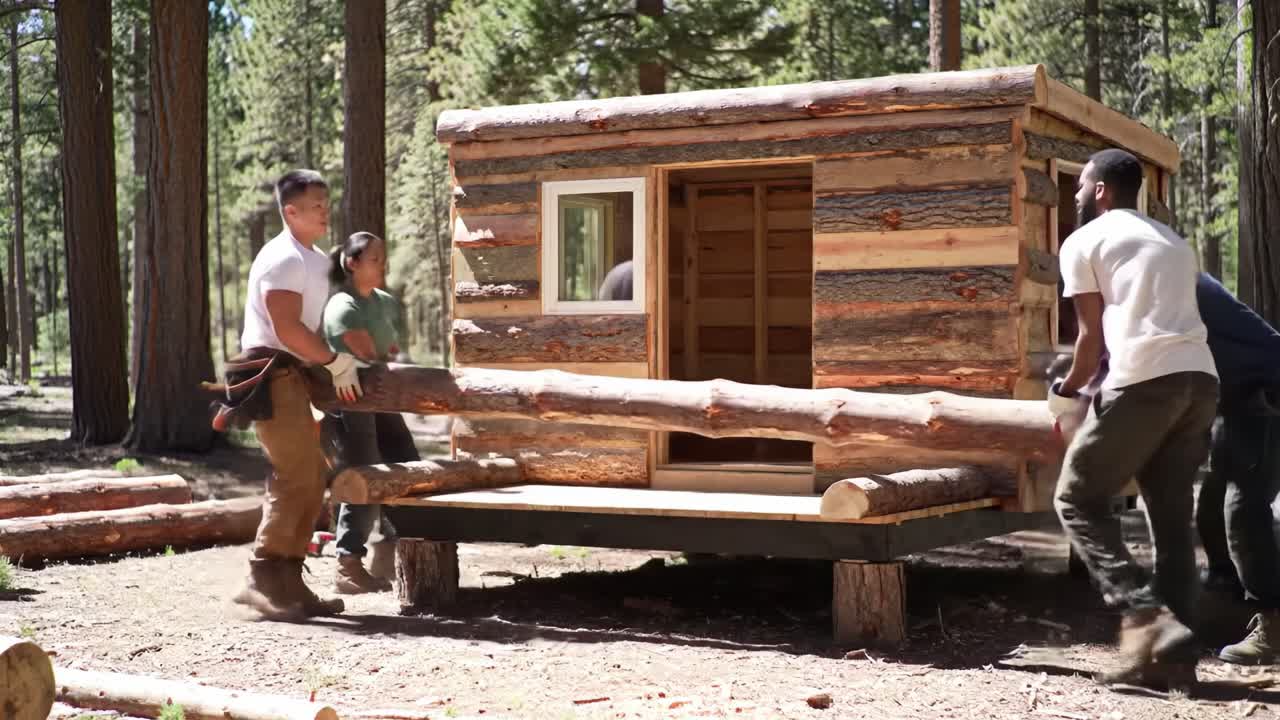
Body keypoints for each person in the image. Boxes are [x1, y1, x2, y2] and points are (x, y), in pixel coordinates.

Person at [1048, 149, 1219, 688]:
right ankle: (1173, 663)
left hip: (1146, 380)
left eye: (1080, 185)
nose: (1075, 194)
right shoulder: (1172, 241)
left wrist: (1066, 388)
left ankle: (1144, 613)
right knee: (1170, 525)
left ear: (1101, 190)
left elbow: (1090, 340)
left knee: (1075, 498)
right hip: (1200, 383)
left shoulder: (1083, 242)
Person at [228, 169, 362, 619]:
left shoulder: (314, 258)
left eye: (327, 203)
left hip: (297, 374)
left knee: (311, 476)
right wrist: (332, 362)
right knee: (296, 474)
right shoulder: (283, 258)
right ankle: (262, 578)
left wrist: (340, 356)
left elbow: (317, 323)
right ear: (290, 211)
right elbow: (286, 327)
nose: (326, 212)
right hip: (272, 374)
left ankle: (288, 579)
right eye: (316, 206)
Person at [322, 231, 421, 594]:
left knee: (407, 462)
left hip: (379, 396)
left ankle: (396, 550)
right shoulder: (342, 307)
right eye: (375, 259)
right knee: (364, 474)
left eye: (384, 258)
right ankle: (348, 564)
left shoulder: (381, 301)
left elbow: (388, 348)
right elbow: (368, 354)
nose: (384, 265)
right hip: (349, 401)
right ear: (352, 264)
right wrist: (385, 356)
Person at [1191, 272, 1280, 664]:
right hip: (1235, 397)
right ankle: (1226, 592)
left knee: (1242, 510)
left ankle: (1274, 629)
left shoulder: (1163, 278)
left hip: (1265, 392)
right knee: (1212, 497)